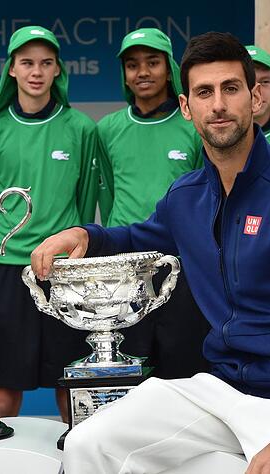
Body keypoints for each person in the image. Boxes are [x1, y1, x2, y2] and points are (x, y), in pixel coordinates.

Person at [31, 32, 270, 474]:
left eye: (231, 88)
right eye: (204, 93)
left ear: (255, 96)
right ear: (187, 107)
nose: (218, 105)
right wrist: (85, 235)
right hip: (221, 389)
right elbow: (138, 237)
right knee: (88, 443)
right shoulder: (186, 196)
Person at [0, 25, 99, 421]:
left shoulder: (81, 127)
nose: (36, 71)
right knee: (7, 388)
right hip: (9, 270)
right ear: (11, 70)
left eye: (46, 63)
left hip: (64, 272)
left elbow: (85, 200)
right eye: (27, 62)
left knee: (70, 385)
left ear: (58, 70)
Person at [96, 27, 208, 379]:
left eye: (152, 62)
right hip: (125, 270)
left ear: (170, 69)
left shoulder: (193, 126)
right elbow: (107, 193)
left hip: (181, 264)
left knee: (182, 369)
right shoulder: (109, 128)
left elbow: (204, 195)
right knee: (129, 369)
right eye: (132, 65)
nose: (142, 72)